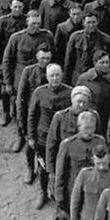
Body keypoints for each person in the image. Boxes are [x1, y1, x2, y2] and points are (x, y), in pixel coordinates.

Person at [55, 111, 107, 220]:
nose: (88, 131)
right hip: (73, 195)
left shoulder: (100, 142)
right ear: (78, 127)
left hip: (94, 195)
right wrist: (60, 199)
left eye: (91, 128)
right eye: (85, 128)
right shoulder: (68, 144)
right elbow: (60, 174)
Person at [28, 63, 71, 208]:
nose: (55, 78)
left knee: (62, 165)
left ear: (62, 75)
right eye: (51, 75)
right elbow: (32, 115)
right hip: (43, 137)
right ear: (46, 77)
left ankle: (59, 193)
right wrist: (31, 137)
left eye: (57, 75)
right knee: (43, 166)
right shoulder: (39, 92)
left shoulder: (69, 92)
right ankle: (43, 192)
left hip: (62, 137)